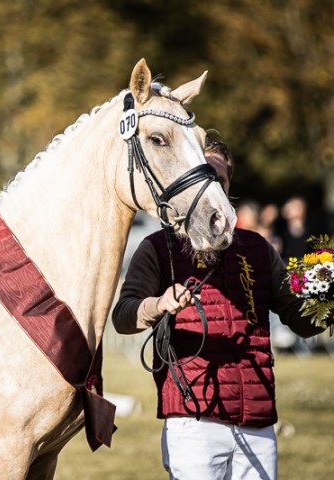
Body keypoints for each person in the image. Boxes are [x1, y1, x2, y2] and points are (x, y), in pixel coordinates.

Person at [112, 138, 327, 480]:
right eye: (201, 175)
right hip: (193, 416)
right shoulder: (157, 247)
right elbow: (123, 316)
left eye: (218, 178)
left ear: (228, 186)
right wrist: (159, 303)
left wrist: (326, 297)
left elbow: (300, 320)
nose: (210, 185)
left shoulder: (257, 248)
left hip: (256, 415)